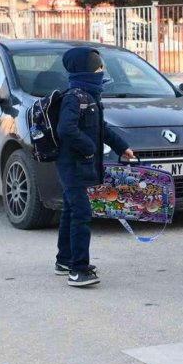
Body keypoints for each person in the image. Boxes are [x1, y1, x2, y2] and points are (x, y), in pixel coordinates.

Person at [55, 46, 134, 287]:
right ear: (86, 70)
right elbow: (65, 129)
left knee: (70, 210)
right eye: (98, 67)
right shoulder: (74, 97)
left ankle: (64, 260)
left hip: (81, 165)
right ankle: (78, 270)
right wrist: (88, 147)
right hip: (73, 166)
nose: (101, 72)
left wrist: (122, 147)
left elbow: (103, 129)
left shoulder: (91, 98)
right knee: (81, 213)